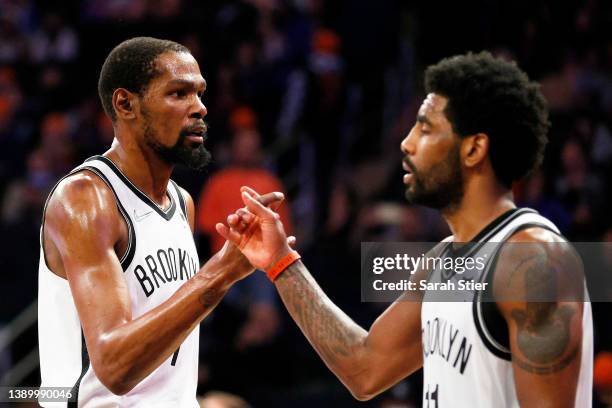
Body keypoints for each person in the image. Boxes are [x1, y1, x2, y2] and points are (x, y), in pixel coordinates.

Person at [218, 52, 593, 407]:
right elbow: (365, 369)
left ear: (474, 149)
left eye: (425, 129)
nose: (406, 142)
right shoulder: (440, 263)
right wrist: (281, 263)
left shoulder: (535, 261)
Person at [37, 37, 286, 407]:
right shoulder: (86, 200)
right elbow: (115, 367)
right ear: (126, 104)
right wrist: (222, 272)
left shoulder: (182, 203)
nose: (200, 107)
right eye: (178, 94)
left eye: (200, 93)